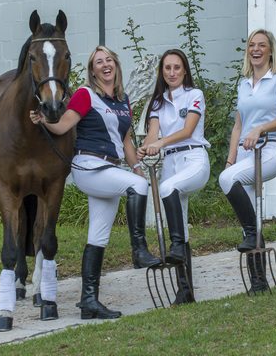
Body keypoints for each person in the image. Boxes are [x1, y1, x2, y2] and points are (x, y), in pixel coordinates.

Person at [30, 45, 160, 319]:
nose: (105, 64)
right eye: (98, 62)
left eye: (109, 60)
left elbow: (125, 140)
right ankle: (139, 250)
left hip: (110, 169)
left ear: (116, 65)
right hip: (89, 166)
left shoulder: (123, 101)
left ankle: (89, 302)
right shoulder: (85, 94)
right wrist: (43, 120)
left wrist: (135, 166)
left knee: (98, 237)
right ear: (92, 70)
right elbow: (64, 125)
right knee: (138, 187)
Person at [218, 29, 276, 293]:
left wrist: (261, 129)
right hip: (245, 153)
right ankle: (258, 282)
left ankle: (252, 233)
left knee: (228, 183)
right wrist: (230, 160)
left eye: (262, 45)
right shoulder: (243, 84)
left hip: (271, 149)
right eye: (252, 45)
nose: (256, 49)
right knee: (248, 216)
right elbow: (238, 127)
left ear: (270, 50)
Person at [137, 49, 210, 305]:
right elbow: (152, 133)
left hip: (193, 159)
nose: (172, 73)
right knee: (179, 222)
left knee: (168, 188)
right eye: (167, 68)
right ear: (162, 72)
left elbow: (188, 130)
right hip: (169, 163)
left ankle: (175, 247)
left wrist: (161, 142)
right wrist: (147, 146)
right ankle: (185, 290)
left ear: (185, 70)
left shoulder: (194, 95)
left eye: (177, 68)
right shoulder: (157, 103)